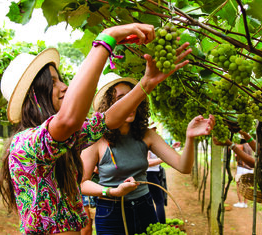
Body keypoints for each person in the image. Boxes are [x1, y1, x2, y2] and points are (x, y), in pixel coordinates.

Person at [0, 23, 192, 234]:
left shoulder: (63, 140)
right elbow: (69, 120)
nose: (64, 87)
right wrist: (106, 40)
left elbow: (108, 120)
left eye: (60, 80)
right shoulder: (25, 144)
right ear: (33, 94)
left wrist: (146, 84)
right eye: (53, 82)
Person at [80, 73, 215, 235]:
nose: (130, 103)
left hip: (144, 206)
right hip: (111, 212)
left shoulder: (146, 134)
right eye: (121, 98)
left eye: (132, 97)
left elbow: (183, 167)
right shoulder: (97, 140)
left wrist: (189, 137)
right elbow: (82, 183)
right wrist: (111, 191)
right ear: (109, 105)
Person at [146, 122, 167, 224]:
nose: (154, 131)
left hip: (154, 174)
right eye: (152, 129)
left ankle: (155, 223)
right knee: (158, 201)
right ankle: (160, 224)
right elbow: (147, 163)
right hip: (149, 175)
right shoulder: (146, 144)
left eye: (154, 129)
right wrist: (163, 159)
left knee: (154, 201)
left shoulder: (153, 143)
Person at [233, 139, 253, 208]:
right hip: (250, 169)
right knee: (246, 186)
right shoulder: (250, 147)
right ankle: (245, 203)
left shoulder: (241, 146)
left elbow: (234, 147)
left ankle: (240, 202)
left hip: (242, 168)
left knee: (239, 185)